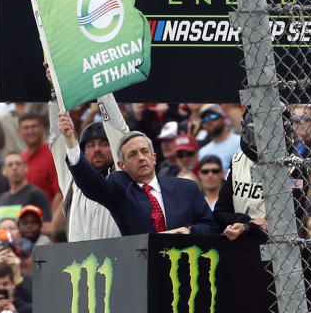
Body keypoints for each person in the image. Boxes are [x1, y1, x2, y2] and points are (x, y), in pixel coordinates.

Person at [58, 113, 218, 236]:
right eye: (133, 154)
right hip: (140, 272)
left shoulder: (186, 188)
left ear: (154, 158)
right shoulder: (120, 189)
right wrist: (70, 140)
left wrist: (187, 231)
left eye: (144, 151)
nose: (141, 157)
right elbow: (90, 184)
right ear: (122, 165)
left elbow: (211, 227)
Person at [48, 91, 127, 242]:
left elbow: (118, 129)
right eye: (91, 145)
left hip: (117, 260)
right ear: (83, 152)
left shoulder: (124, 178)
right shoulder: (71, 181)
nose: (97, 149)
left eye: (104, 144)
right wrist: (55, 93)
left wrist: (102, 88)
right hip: (79, 261)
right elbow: (58, 138)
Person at [214, 109, 268, 242]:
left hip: (276, 247)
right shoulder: (238, 159)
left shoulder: (294, 165)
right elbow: (220, 213)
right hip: (239, 242)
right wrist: (248, 224)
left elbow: (290, 220)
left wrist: (247, 226)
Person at [0, 153, 51, 231]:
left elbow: (46, 226)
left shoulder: (36, 194)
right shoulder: (1, 198)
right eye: (10, 165)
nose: (14, 167)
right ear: (3, 171)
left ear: (26, 168)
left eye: (18, 164)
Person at [19, 112, 61, 207]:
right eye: (26, 128)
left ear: (42, 128)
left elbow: (59, 194)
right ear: (19, 132)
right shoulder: (21, 158)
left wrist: (51, 220)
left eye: (34, 126)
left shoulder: (53, 155)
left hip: (45, 218)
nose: (30, 131)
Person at [196, 104, 240, 168]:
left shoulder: (239, 142)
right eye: (205, 119)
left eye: (213, 116)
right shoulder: (202, 152)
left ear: (223, 118)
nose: (209, 121)